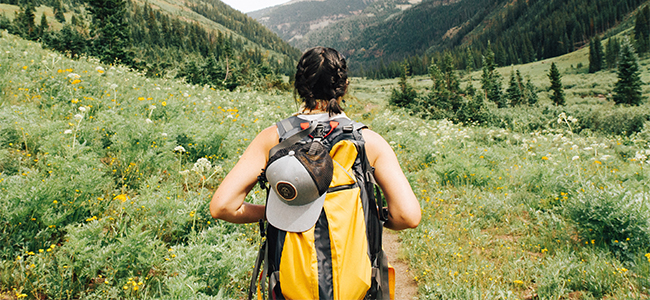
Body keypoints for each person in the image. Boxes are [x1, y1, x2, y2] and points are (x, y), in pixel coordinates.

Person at [210, 47, 421, 298]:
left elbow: (222, 206)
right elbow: (408, 216)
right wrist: (373, 215)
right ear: (344, 86)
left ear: (299, 86)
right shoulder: (368, 142)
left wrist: (273, 213)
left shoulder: (273, 139)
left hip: (292, 289)